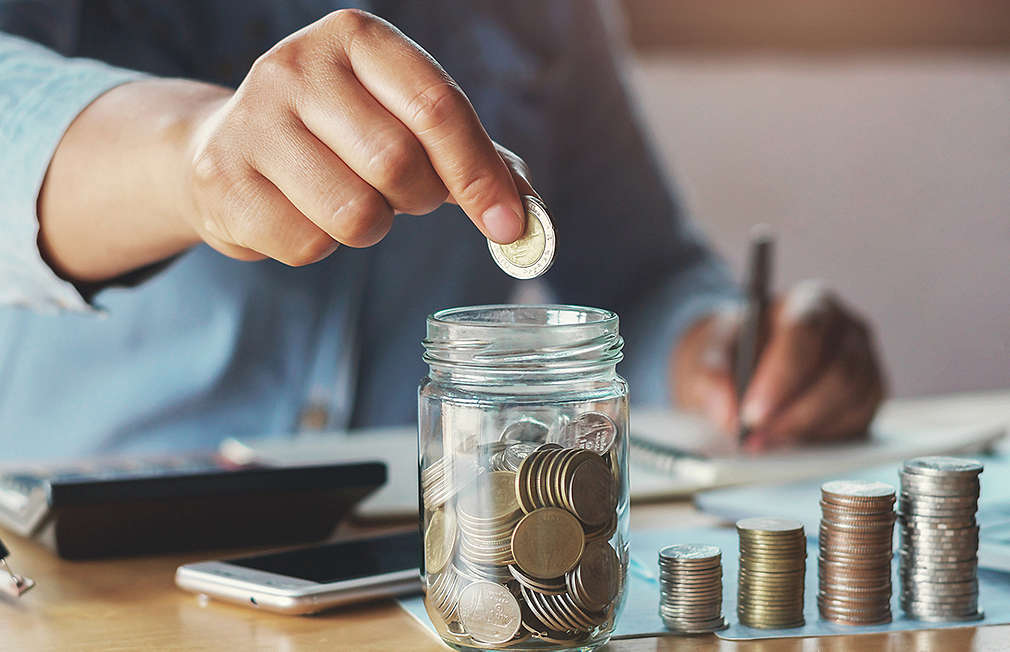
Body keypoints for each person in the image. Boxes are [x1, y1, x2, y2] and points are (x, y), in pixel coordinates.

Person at [0, 1, 884, 459]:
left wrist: (716, 349)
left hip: (423, 571)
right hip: (94, 564)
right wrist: (194, 153)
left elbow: (638, 279)